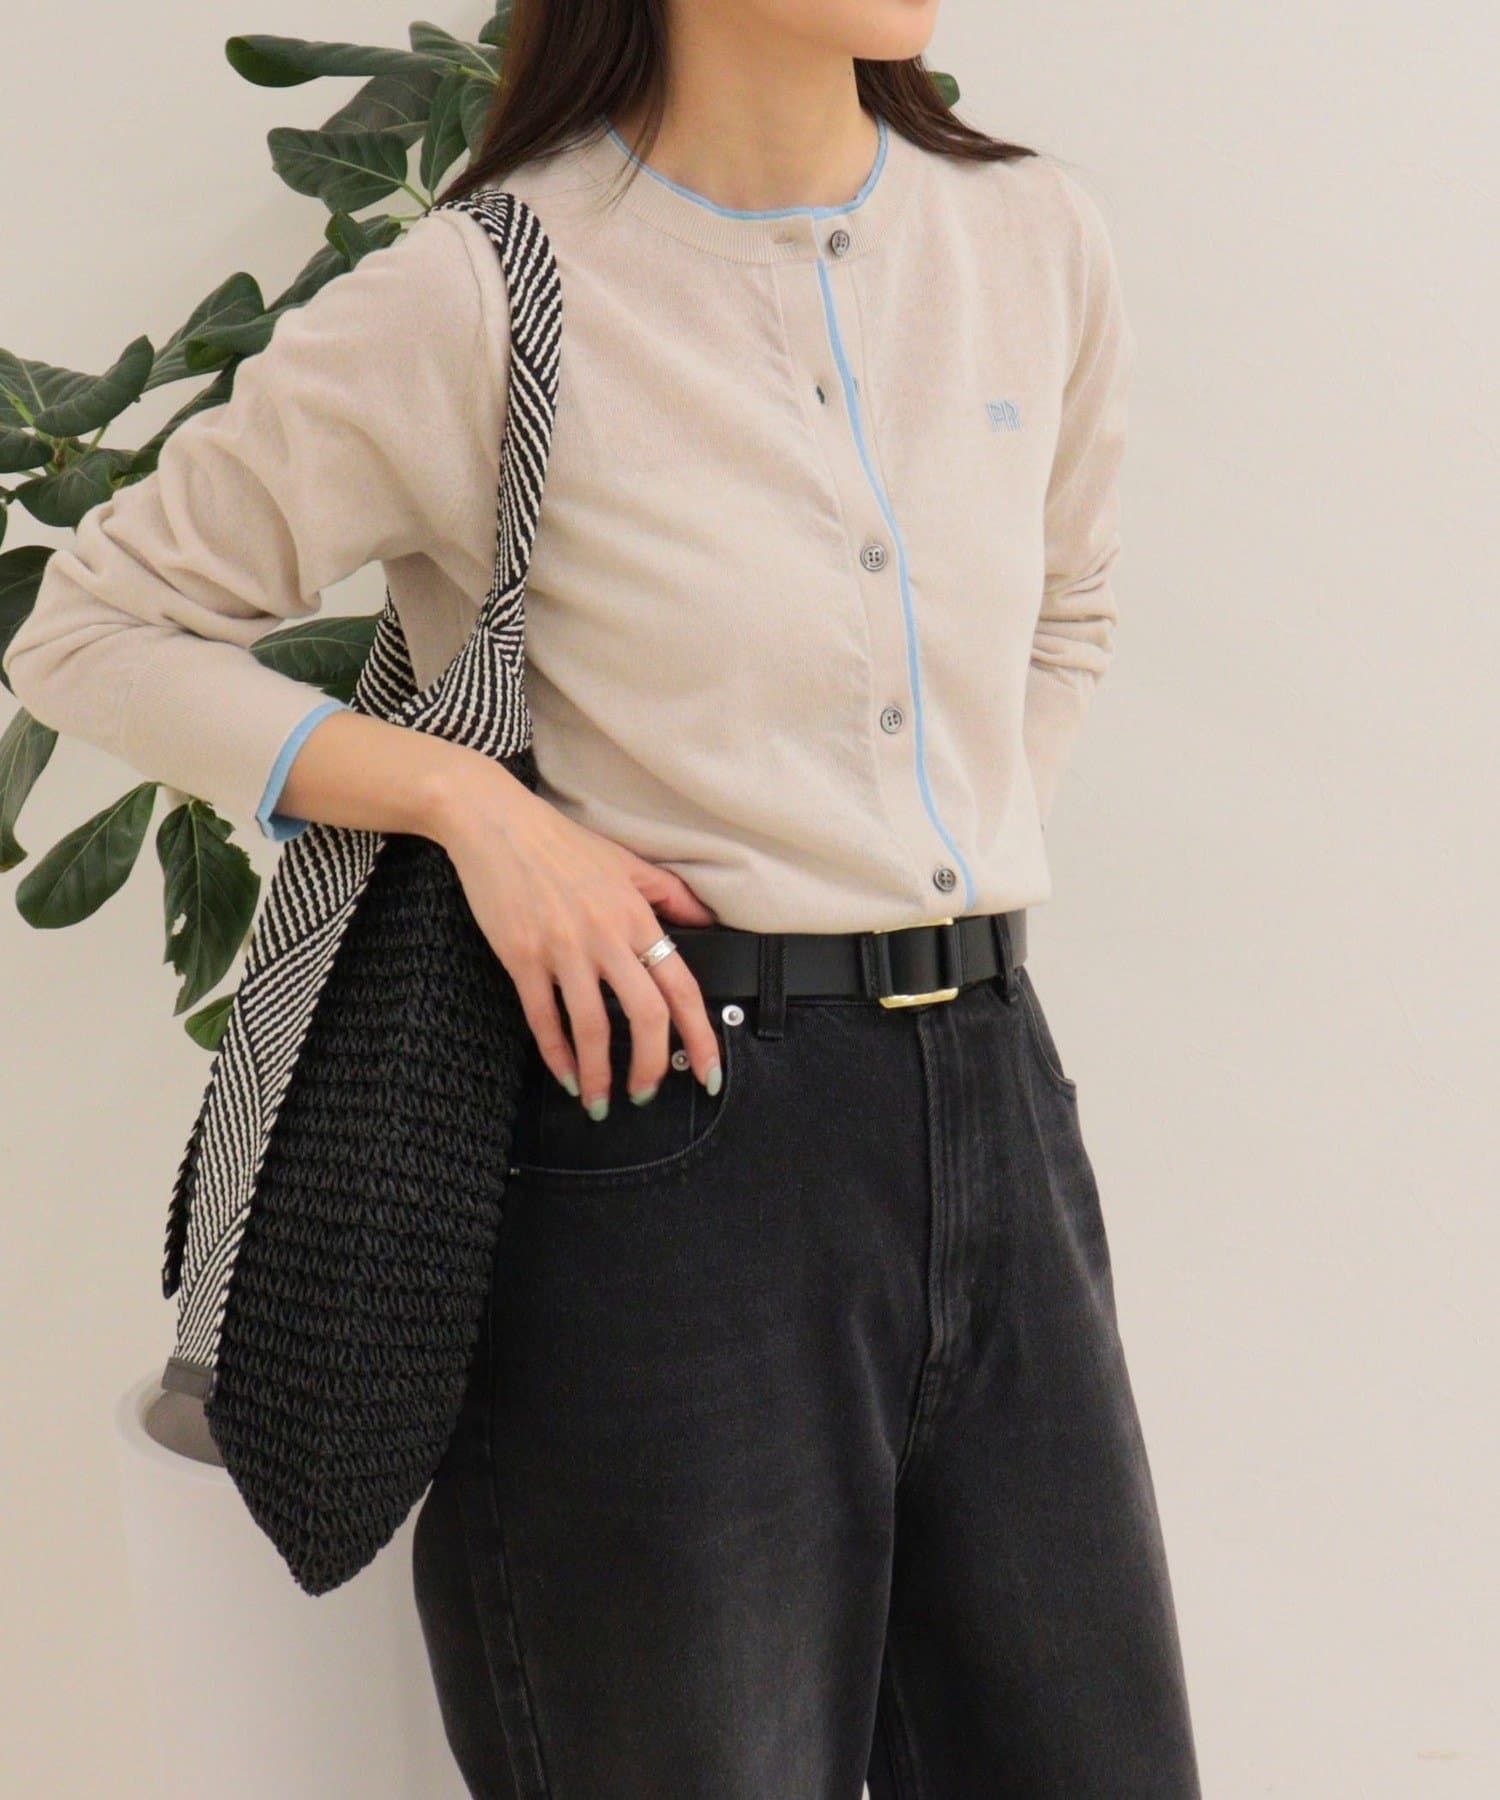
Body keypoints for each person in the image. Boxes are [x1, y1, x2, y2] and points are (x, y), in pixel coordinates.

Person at [4, 2, 1202, 1793]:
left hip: (998, 1107)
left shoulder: (1029, 237)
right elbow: (93, 629)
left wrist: (924, 853)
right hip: (664, 1132)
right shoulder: (491, 291)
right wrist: (475, 808)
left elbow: (1071, 606)